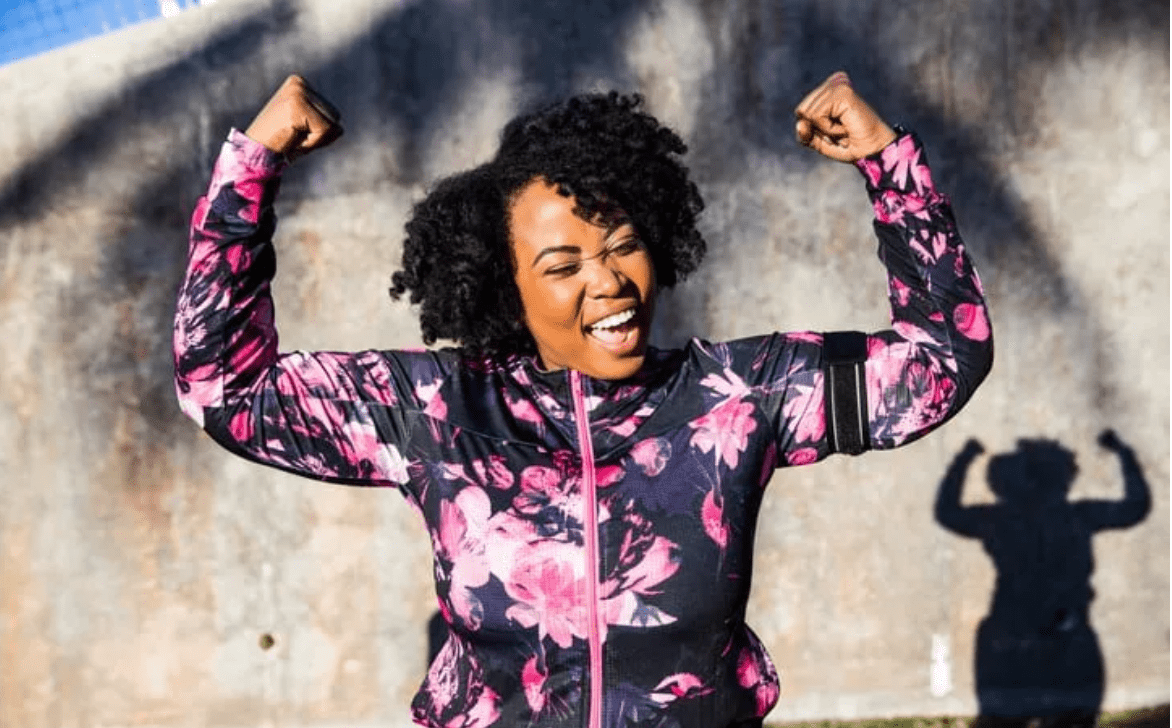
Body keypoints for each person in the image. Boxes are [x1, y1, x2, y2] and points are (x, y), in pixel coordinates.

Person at [174, 71, 993, 728]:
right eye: (563, 267)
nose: (608, 283)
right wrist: (253, 167)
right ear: (506, 287)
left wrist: (890, 166)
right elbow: (224, 384)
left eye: (624, 246)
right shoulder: (435, 410)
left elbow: (942, 356)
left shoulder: (735, 397)